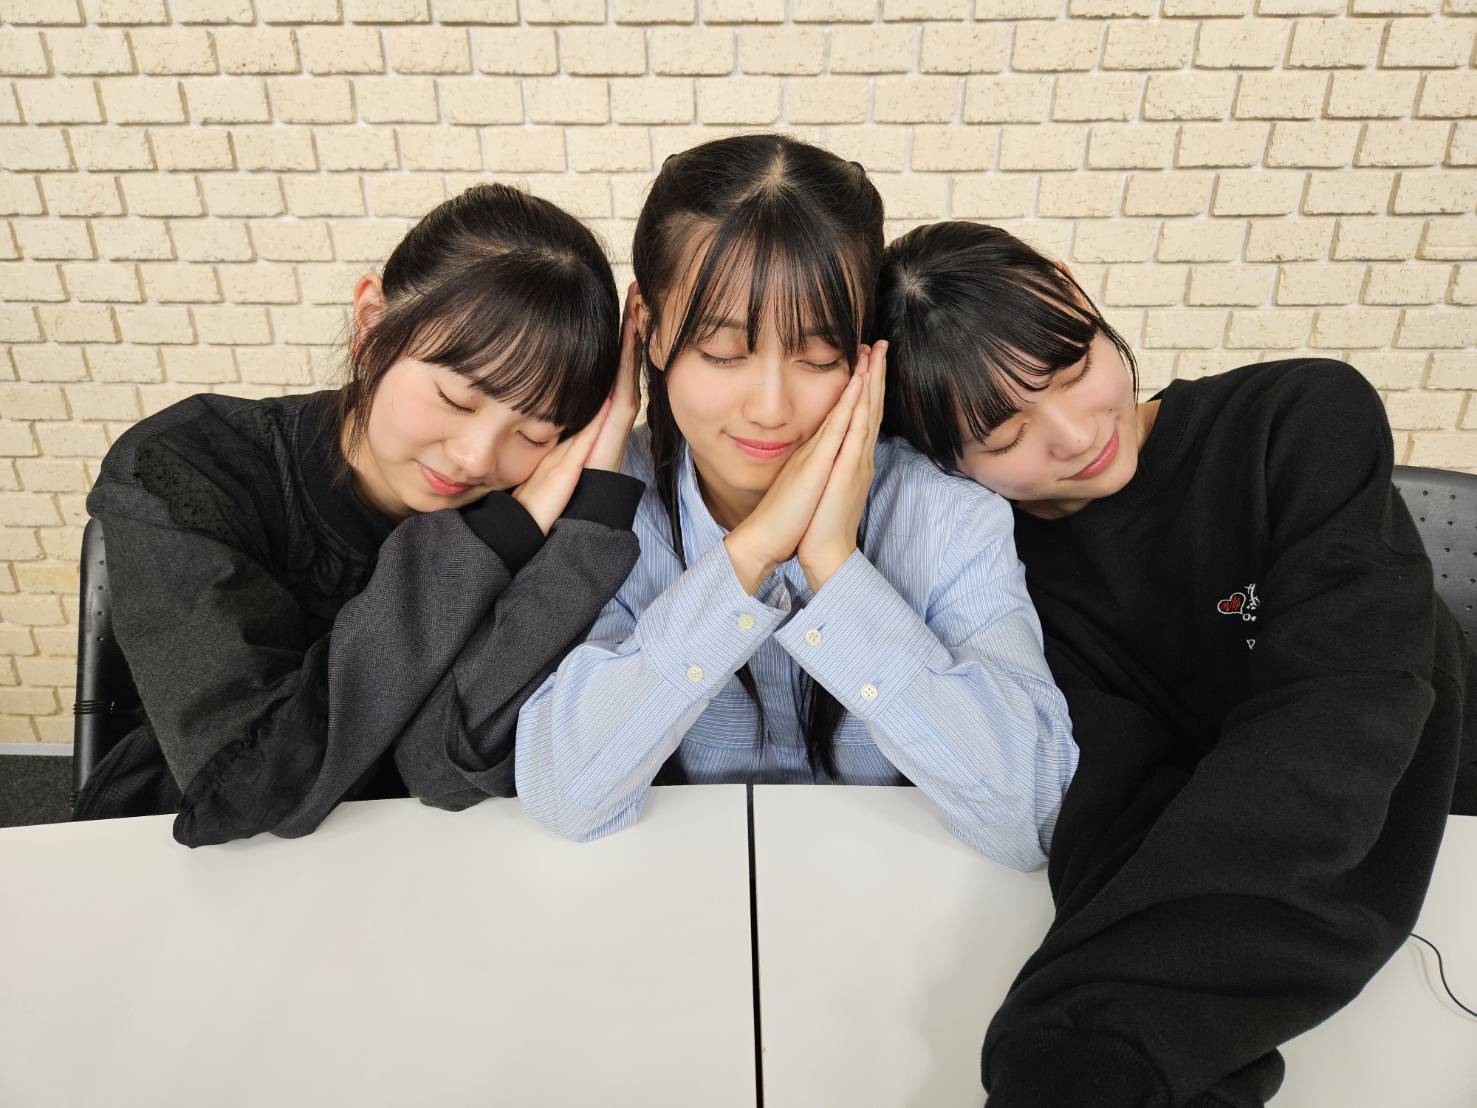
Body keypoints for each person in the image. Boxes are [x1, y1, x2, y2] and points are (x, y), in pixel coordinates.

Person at [876, 219, 1477, 1106]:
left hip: (1436, 823)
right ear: (939, 459)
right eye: (1002, 435)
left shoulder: (1297, 418)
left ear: (1074, 291)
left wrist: (1081, 1047)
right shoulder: (999, 587)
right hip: (1230, 885)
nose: (1072, 435)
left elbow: (1342, 712)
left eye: (1072, 369)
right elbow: (1112, 820)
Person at [513, 135, 1078, 869]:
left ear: (866, 348)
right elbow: (564, 790)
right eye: (722, 353)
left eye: (817, 357)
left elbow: (1038, 811)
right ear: (647, 329)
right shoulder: (608, 502)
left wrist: (834, 565)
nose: (771, 409)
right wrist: (748, 556)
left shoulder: (944, 512)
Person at [73, 183, 645, 848]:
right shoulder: (190, 467)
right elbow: (250, 790)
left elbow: (443, 770)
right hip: (194, 861)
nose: (474, 457)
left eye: (534, 431)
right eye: (456, 400)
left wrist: (590, 494)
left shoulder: (533, 501)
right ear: (372, 323)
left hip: (426, 859)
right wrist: (483, 546)